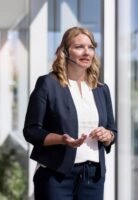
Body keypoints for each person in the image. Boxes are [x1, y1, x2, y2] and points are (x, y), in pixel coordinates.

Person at [23, 26, 117, 200]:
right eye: (79, 47)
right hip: (55, 176)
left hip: (93, 177)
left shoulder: (101, 89)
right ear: (65, 52)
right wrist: (61, 139)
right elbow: (31, 130)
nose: (86, 52)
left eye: (91, 47)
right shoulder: (48, 84)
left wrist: (108, 135)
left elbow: (113, 130)